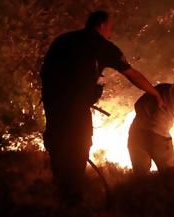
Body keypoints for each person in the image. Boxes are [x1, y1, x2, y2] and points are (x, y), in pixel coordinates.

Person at [40, 10, 164, 204]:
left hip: (53, 105)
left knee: (58, 146)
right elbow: (132, 74)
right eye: (109, 28)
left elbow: (45, 71)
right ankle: (71, 199)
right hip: (75, 108)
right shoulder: (102, 46)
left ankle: (60, 193)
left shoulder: (63, 40)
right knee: (79, 147)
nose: (110, 33)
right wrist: (155, 93)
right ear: (101, 25)